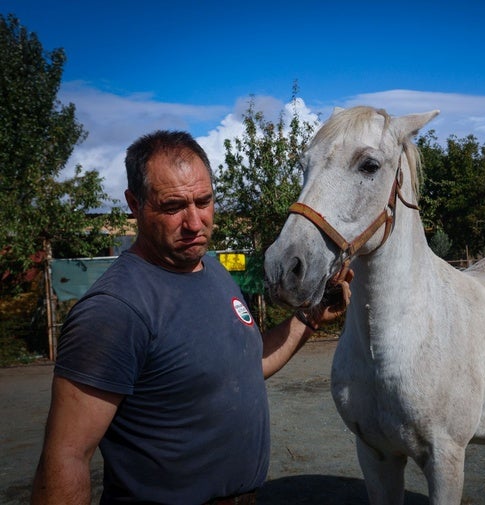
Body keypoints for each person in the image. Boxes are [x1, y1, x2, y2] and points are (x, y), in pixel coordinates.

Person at [31, 130, 352, 504]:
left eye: (204, 201)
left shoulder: (210, 269)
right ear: (134, 205)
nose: (195, 223)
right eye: (173, 207)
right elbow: (67, 455)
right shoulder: (114, 310)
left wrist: (308, 318)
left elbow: (246, 364)